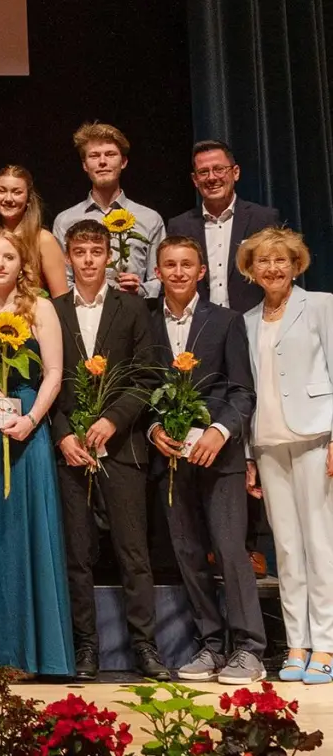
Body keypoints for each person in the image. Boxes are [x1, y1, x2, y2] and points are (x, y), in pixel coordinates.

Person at [48, 220, 167, 681]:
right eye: (80, 252)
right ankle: (86, 647)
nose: (89, 260)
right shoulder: (52, 310)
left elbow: (146, 375)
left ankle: (145, 645)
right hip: (72, 450)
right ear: (69, 258)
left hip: (122, 447)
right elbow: (46, 383)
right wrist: (63, 434)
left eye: (97, 251)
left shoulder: (132, 307)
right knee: (77, 553)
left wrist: (112, 419)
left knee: (133, 551)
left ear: (109, 256)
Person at [144, 236, 263, 684]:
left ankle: (249, 647)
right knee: (188, 553)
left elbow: (242, 390)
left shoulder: (227, 321)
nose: (177, 272)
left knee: (231, 551)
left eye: (186, 265)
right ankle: (211, 645)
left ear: (201, 272)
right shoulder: (146, 320)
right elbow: (141, 387)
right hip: (172, 458)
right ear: (158, 272)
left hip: (219, 454)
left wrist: (220, 431)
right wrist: (154, 429)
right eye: (169, 265)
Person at [0, 230, 73, 677]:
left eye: (9, 256)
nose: (1, 264)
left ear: (21, 263)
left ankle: (36, 653)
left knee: (29, 532)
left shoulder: (40, 307)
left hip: (28, 430)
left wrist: (31, 420)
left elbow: (55, 373)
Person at [239, 228, 333, 683]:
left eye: (282, 260)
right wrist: (249, 455)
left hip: (316, 435)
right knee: (288, 550)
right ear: (250, 270)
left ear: (296, 264)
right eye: (263, 261)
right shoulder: (247, 320)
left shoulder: (320, 305)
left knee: (321, 544)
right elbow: (246, 393)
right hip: (268, 442)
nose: (273, 268)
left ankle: (327, 646)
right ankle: (297, 645)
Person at [50, 122, 165, 297]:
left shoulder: (150, 219)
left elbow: (160, 278)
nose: (102, 162)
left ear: (124, 161)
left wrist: (140, 289)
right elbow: (62, 280)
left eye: (110, 154)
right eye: (94, 156)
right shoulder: (65, 220)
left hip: (134, 315)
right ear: (85, 165)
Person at [167, 140, 282, 314]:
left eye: (219, 169)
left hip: (253, 325)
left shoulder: (263, 219)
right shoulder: (180, 226)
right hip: (201, 329)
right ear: (195, 180)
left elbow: (280, 277)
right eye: (203, 172)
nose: (212, 178)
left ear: (235, 172)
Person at [0, 165, 70, 297]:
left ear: (29, 199)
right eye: (2, 191)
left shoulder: (43, 239)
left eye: (16, 192)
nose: (8, 199)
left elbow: (61, 298)